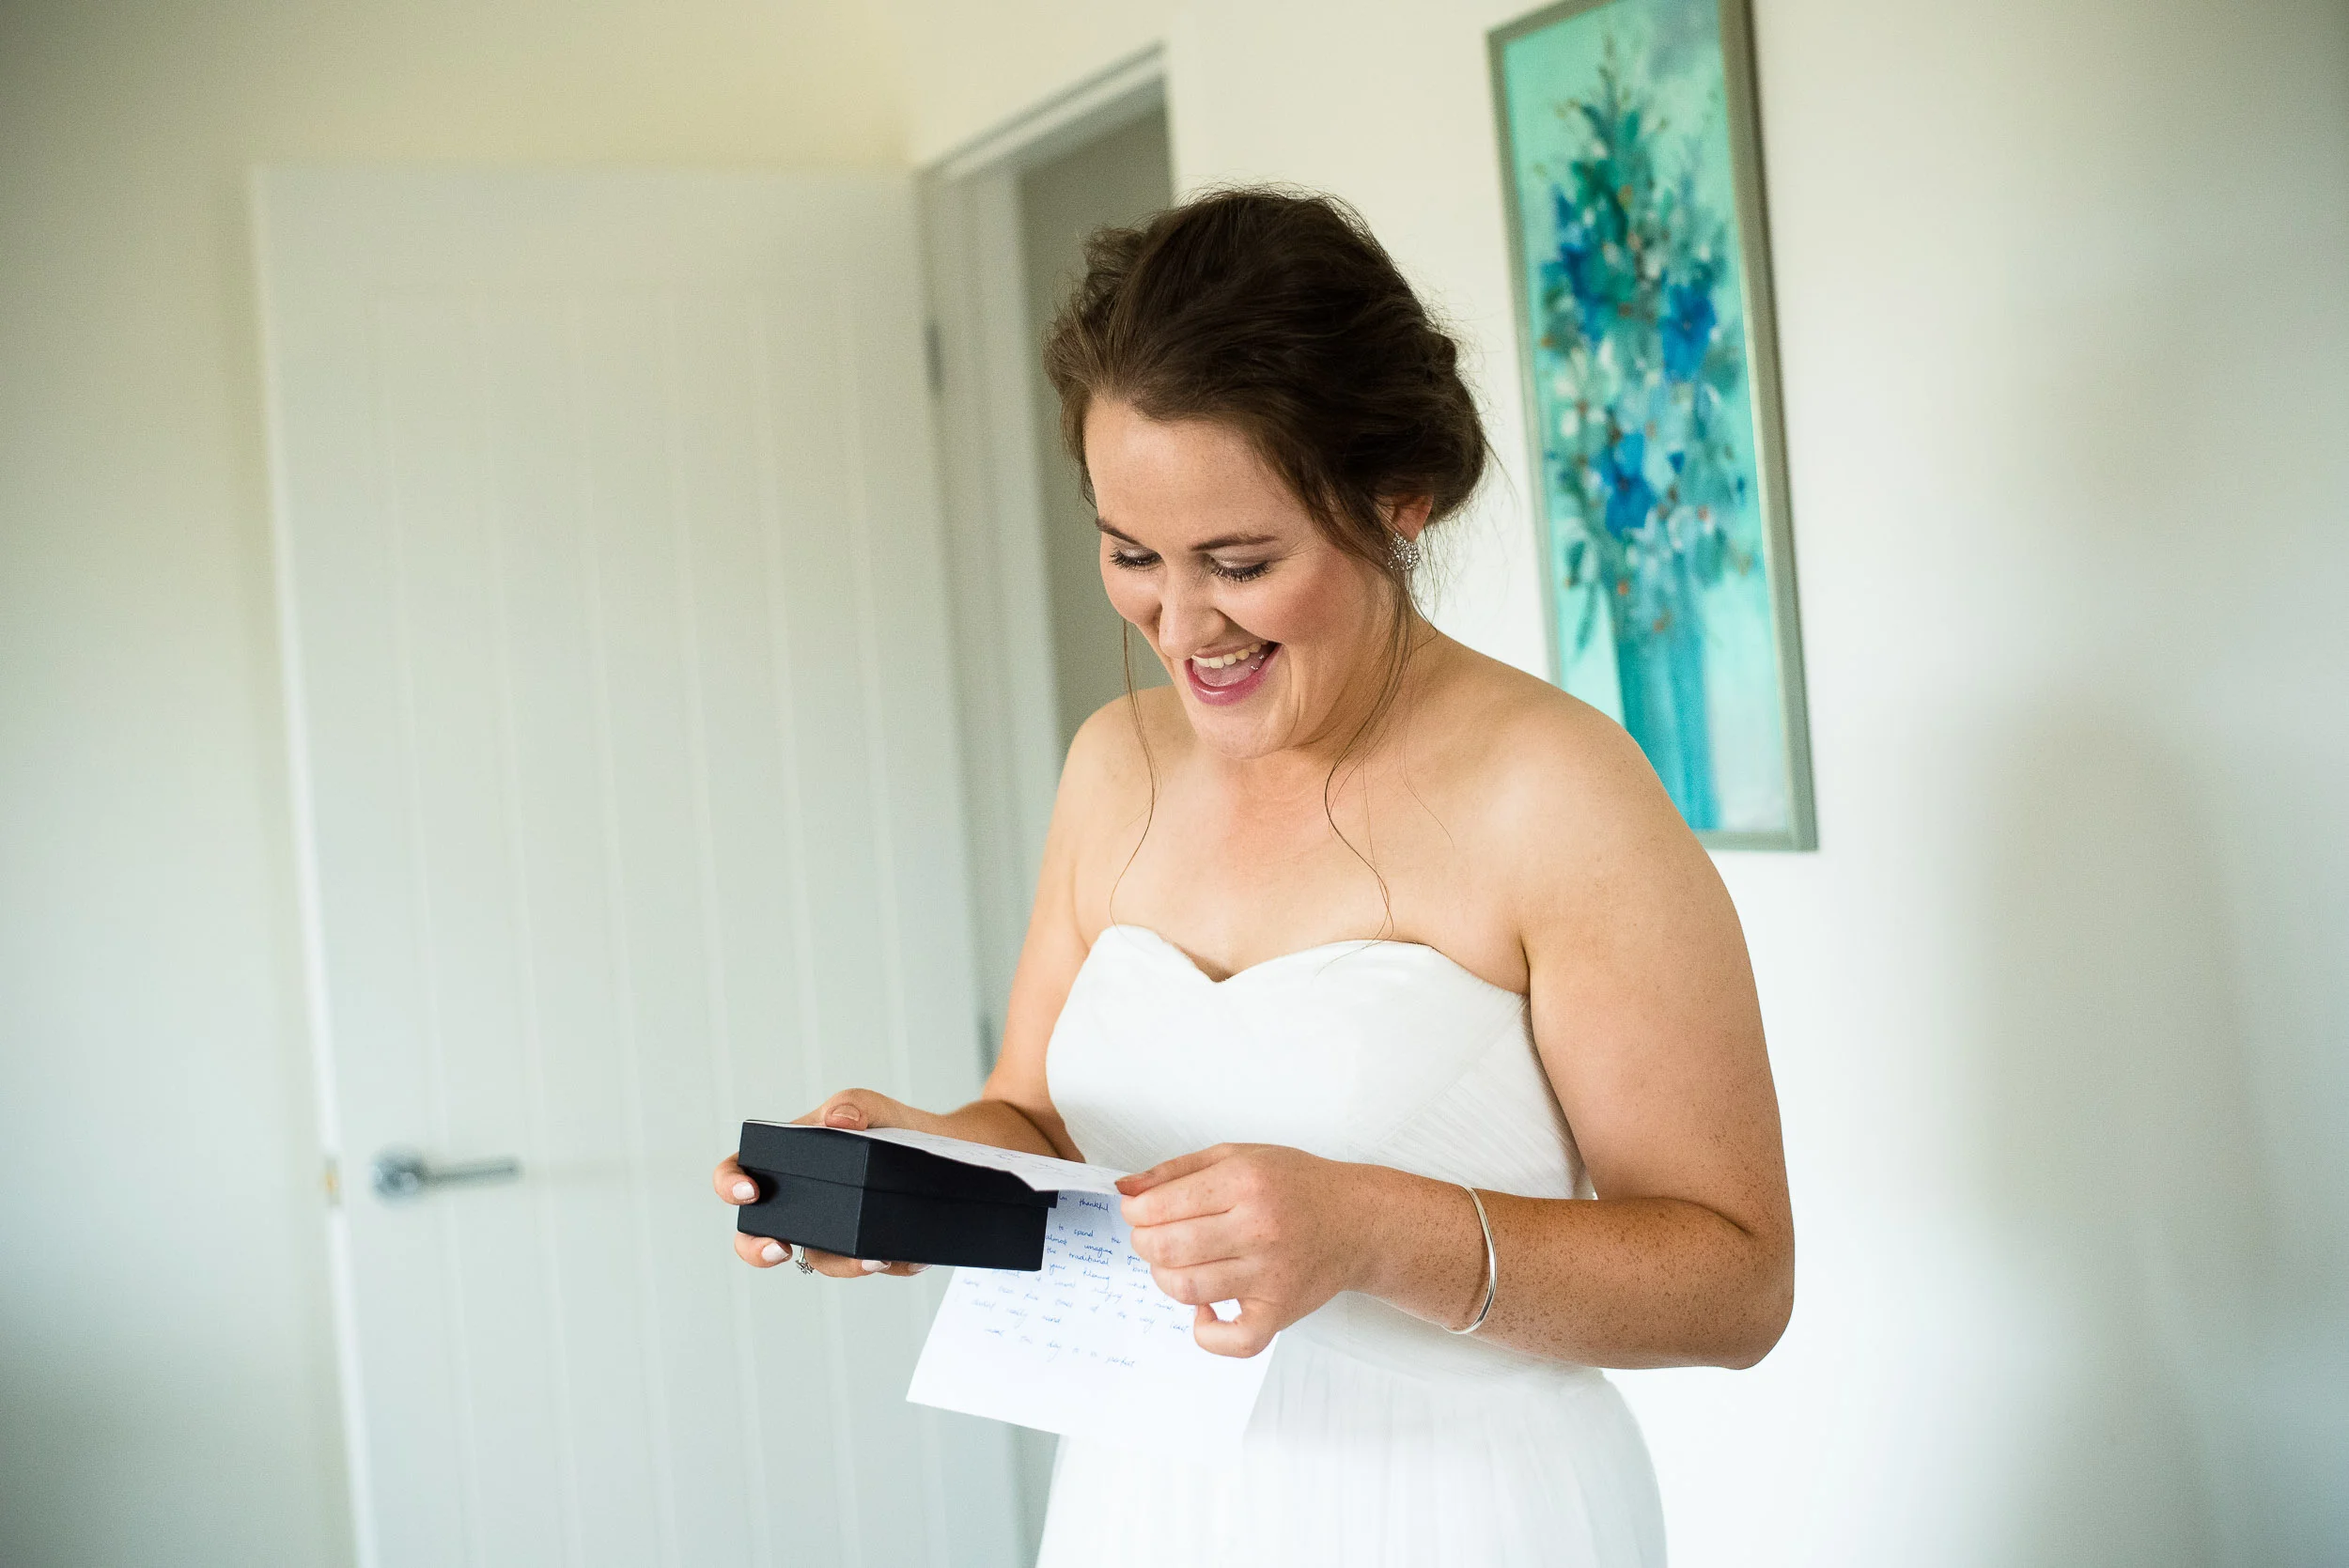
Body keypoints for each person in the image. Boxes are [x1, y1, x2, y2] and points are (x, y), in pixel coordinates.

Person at [715, 187, 1793, 1567]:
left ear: (1398, 501)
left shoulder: (1560, 794)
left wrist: (1370, 1229)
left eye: (1241, 562)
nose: (1181, 623)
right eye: (1130, 555)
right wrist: (916, 1166)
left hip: (1466, 1516)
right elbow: (1045, 1127)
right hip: (1143, 1509)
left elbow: (1738, 1282)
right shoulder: (1115, 763)